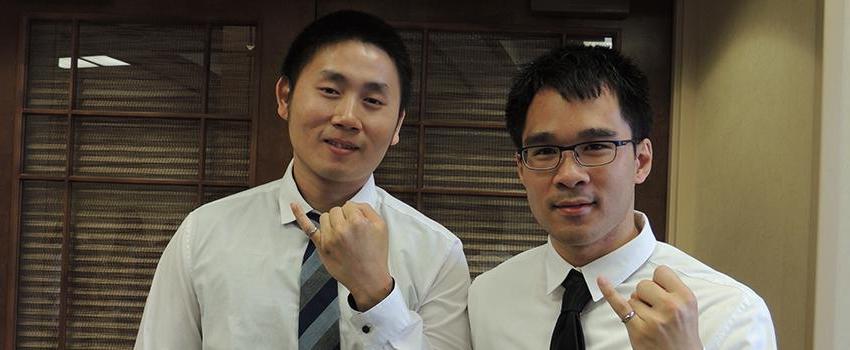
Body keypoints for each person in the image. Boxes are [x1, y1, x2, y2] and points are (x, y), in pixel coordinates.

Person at [135, 10, 471, 350]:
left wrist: (376, 293)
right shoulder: (203, 234)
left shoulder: (438, 254)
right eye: (329, 90)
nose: (347, 117)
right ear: (285, 97)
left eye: (372, 101)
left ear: (397, 124)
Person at [467, 45, 776, 349]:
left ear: (641, 161)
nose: (569, 175)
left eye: (595, 146)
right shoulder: (488, 298)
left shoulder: (725, 313)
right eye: (545, 151)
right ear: (521, 169)